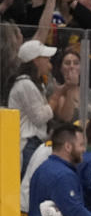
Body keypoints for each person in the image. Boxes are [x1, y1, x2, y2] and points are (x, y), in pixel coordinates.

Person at [7, 40, 63, 175]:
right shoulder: (25, 84)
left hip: (33, 142)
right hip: (27, 143)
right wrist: (55, 98)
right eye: (45, 58)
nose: (49, 63)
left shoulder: (32, 84)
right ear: (35, 60)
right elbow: (39, 117)